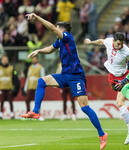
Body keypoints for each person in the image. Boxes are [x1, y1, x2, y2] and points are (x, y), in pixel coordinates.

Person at [20, 13, 108, 150]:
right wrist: (38, 51)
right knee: (42, 81)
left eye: (57, 28)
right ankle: (36, 111)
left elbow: (51, 28)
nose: (55, 28)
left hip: (76, 76)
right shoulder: (60, 41)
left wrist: (36, 17)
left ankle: (102, 134)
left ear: (62, 29)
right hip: (65, 75)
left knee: (84, 107)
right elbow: (50, 49)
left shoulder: (67, 37)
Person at [84, 32, 129, 145]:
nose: (120, 45)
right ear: (113, 41)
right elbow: (100, 41)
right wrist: (91, 42)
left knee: (121, 99)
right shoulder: (108, 41)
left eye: (122, 43)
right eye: (118, 43)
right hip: (112, 76)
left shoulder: (127, 51)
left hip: (123, 76)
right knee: (119, 103)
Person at [0, 55, 20, 119]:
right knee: (1, 101)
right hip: (1, 88)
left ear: (8, 60)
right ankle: (1, 114)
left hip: (9, 88)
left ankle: (12, 114)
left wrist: (14, 87)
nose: (5, 60)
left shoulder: (11, 68)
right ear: (1, 60)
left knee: (10, 101)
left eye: (6, 59)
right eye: (4, 59)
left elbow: (15, 77)